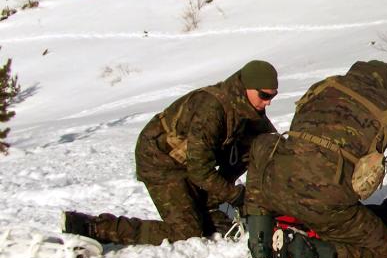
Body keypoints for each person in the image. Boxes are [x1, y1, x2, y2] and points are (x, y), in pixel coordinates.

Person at [243, 60, 387, 258]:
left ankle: (260, 246)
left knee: (264, 145)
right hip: (326, 203)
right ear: (385, 86)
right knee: (384, 254)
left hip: (276, 185)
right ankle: (314, 256)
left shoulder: (321, 87)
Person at [63, 60, 279, 245]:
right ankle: (92, 227)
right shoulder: (211, 109)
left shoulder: (249, 109)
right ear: (246, 87)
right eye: (264, 95)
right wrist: (236, 196)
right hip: (159, 161)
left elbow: (272, 144)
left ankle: (208, 207)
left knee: (253, 147)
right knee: (186, 232)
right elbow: (200, 172)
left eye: (272, 97)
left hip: (188, 164)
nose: (267, 102)